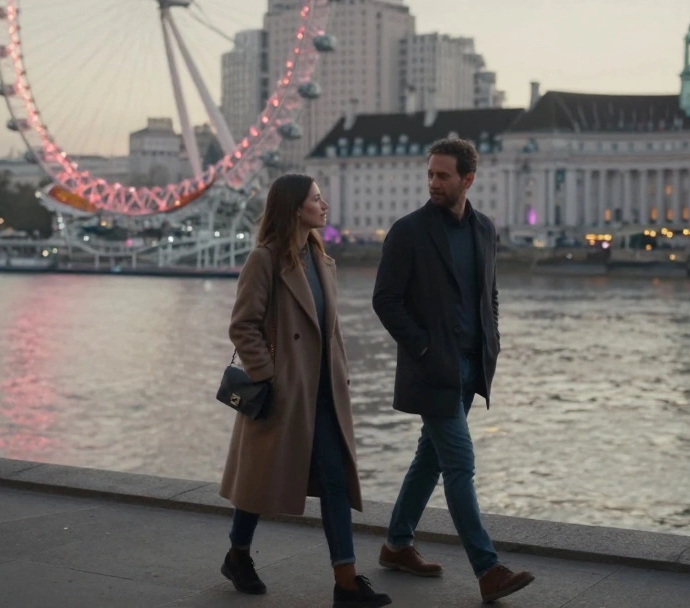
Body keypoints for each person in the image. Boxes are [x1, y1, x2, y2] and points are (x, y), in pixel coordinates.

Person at [372, 138, 535, 603]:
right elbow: (385, 301)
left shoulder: (485, 229)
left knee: (429, 460)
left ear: (468, 179)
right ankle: (488, 570)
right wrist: (423, 348)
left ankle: (396, 545)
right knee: (460, 464)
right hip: (433, 368)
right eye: (430, 174)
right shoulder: (408, 231)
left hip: (472, 364)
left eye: (443, 175)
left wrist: (493, 338)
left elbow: (490, 294)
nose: (434, 183)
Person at [221, 174, 392, 608]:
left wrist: (342, 373)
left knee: (335, 481)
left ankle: (347, 582)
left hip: (324, 393)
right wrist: (268, 376)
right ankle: (238, 554)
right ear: (297, 208)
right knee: (259, 482)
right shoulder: (264, 260)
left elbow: (330, 332)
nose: (325, 204)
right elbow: (243, 325)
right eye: (317, 198)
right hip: (285, 392)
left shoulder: (322, 260)